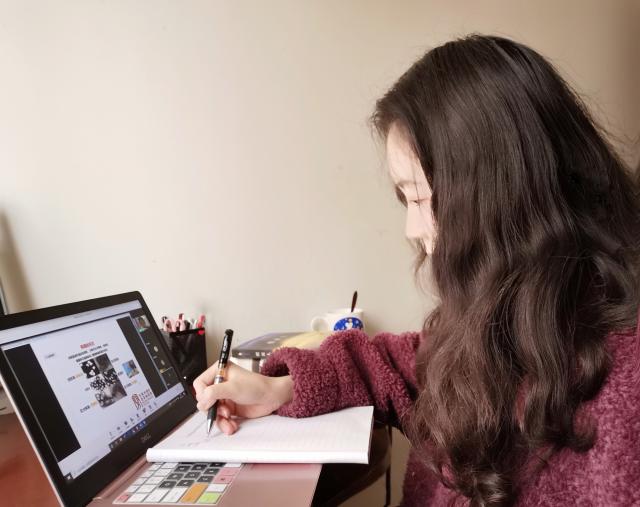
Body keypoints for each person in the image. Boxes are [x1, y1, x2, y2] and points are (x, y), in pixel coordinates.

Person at [193, 35, 640, 506]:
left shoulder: (624, 391)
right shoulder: (505, 314)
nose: (412, 228)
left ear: (499, 195)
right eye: (405, 198)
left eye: (421, 197)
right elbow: (409, 365)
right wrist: (280, 388)